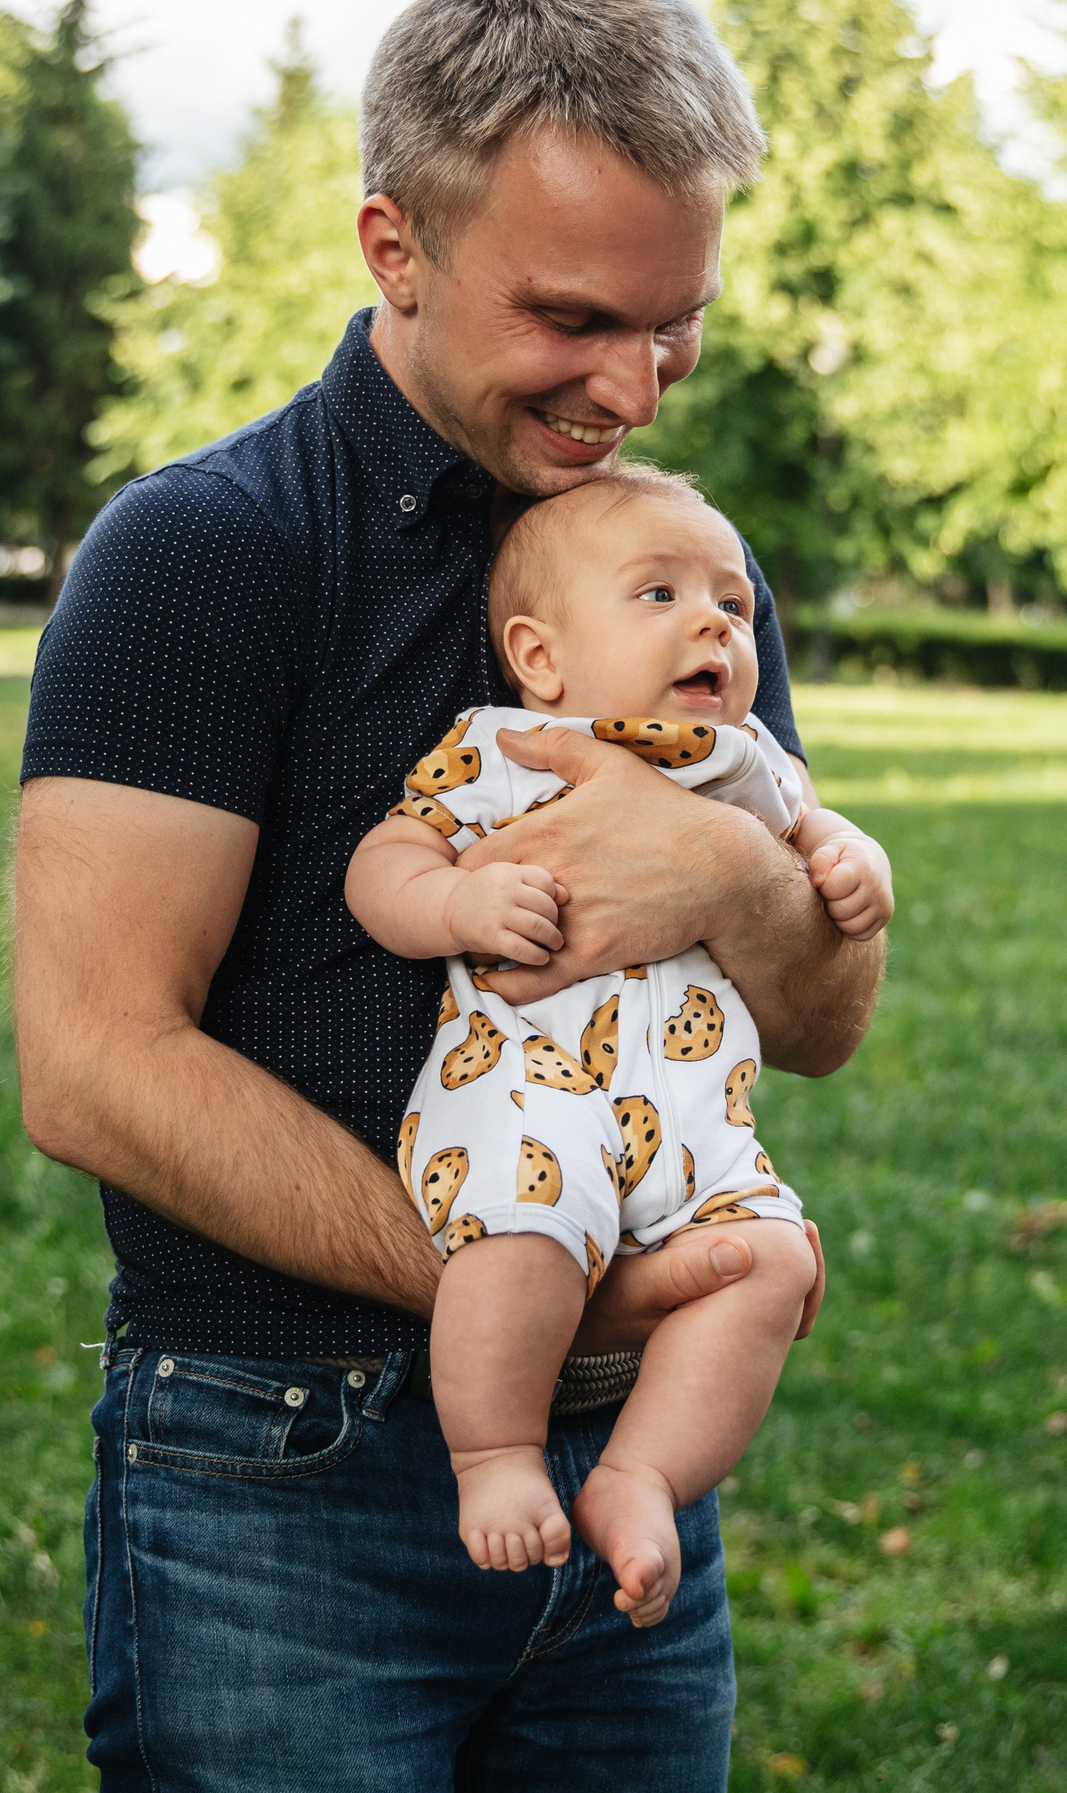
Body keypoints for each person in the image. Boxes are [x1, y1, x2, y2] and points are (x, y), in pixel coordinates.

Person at [13, 0, 884, 1790]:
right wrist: (524, 1276)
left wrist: (732, 884)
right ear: (393, 248)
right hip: (282, 1460)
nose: (633, 389)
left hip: (628, 1464)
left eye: (674, 323)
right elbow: (92, 1062)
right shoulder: (205, 555)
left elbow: (815, 1023)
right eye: (573, 318)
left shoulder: (686, 577)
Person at [345, 468, 893, 1619]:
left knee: (776, 1262)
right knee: (522, 1230)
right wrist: (450, 908)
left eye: (733, 605)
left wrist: (851, 858)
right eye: (659, 594)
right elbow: (385, 861)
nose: (715, 621)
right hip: (528, 1093)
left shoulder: (742, 757)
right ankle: (494, 1451)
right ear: (540, 656)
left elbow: (811, 824)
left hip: (698, 1119)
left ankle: (641, 1474)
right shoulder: (503, 746)